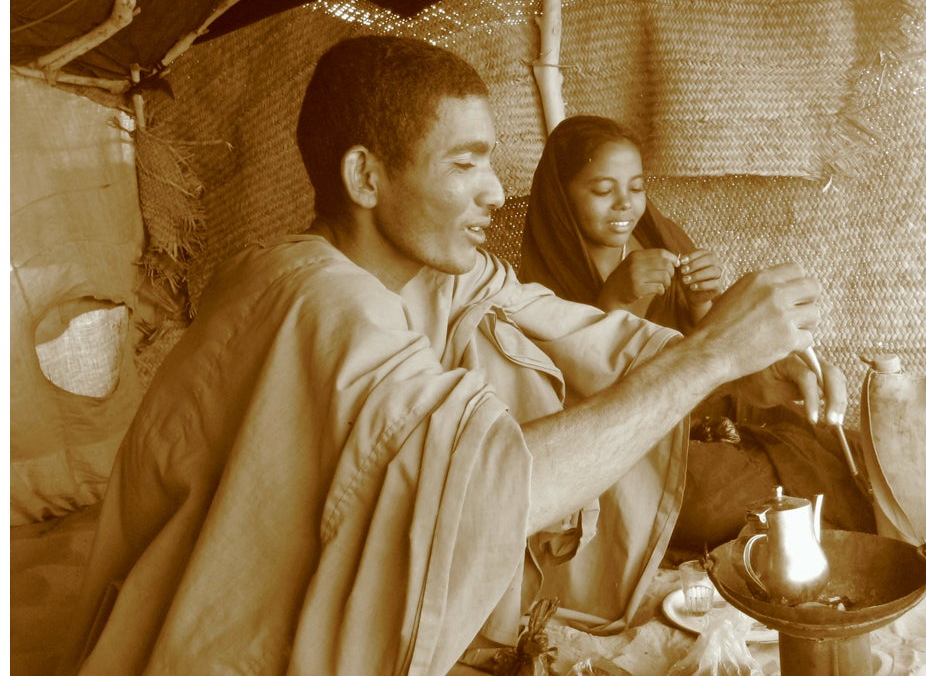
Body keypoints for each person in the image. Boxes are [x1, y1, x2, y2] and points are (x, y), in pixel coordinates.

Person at [62, 37, 838, 676]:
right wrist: (707, 358)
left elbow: (580, 331)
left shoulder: (442, 277)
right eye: (465, 164)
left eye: (490, 163)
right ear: (366, 176)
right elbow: (488, 487)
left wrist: (746, 358)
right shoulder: (313, 299)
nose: (497, 192)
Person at [520, 115, 875, 547]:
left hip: (715, 408)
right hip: (641, 439)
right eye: (601, 190)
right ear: (561, 197)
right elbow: (572, 400)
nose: (624, 205)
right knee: (708, 499)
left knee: (840, 449)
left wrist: (702, 305)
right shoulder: (541, 282)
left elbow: (713, 351)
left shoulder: (659, 238)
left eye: (636, 188)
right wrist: (612, 302)